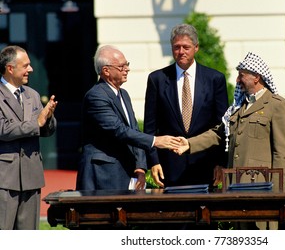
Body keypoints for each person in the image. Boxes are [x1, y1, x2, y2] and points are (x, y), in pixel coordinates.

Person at [175, 51, 285, 229]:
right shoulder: (239, 107)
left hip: (261, 190)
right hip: (236, 189)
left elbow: (282, 153)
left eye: (241, 75)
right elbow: (218, 134)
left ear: (256, 77)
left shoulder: (276, 105)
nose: (237, 80)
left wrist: (274, 192)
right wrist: (189, 143)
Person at [76, 45, 180, 191]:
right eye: (121, 66)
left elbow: (134, 129)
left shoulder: (123, 94)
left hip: (124, 172)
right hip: (103, 174)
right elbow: (119, 130)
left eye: (127, 64)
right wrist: (155, 141)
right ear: (106, 71)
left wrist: (140, 167)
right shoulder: (96, 96)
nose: (127, 69)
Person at [144, 23, 229, 188]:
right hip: (169, 167)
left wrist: (221, 162)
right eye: (176, 47)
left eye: (186, 47)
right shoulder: (157, 79)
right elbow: (150, 127)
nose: (181, 51)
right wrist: (153, 162)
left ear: (196, 48)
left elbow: (223, 127)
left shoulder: (214, 79)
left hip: (206, 165)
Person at [0, 45, 58, 230]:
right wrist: (37, 123)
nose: (30, 70)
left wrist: (48, 118)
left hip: (31, 176)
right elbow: (3, 129)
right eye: (25, 66)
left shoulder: (32, 95)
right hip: (5, 179)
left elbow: (46, 130)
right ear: (10, 68)